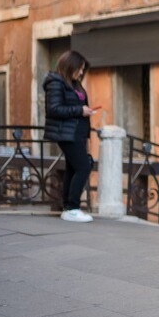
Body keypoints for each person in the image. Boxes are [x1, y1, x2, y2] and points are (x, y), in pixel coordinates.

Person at [43, 50, 99, 223]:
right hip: (66, 133)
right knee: (83, 167)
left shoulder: (74, 84)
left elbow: (76, 108)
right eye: (79, 68)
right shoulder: (56, 82)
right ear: (70, 66)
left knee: (73, 168)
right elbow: (53, 109)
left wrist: (86, 112)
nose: (81, 72)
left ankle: (68, 207)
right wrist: (79, 110)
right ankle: (73, 207)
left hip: (77, 133)